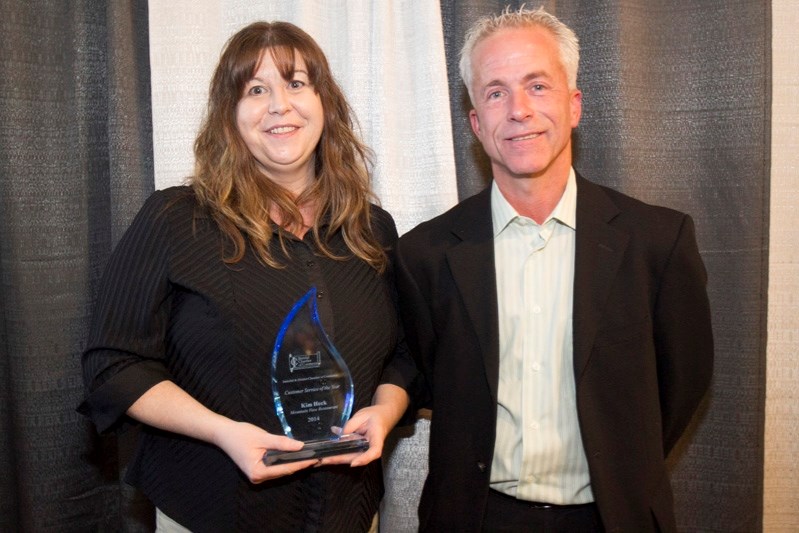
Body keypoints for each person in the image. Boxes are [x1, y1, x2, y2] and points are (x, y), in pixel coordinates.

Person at [79, 21, 415, 532]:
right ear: (231, 116)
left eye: (296, 83)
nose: (279, 104)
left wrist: (387, 412)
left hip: (349, 512)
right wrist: (222, 432)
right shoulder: (175, 220)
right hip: (213, 511)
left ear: (325, 103)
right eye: (256, 90)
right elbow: (113, 364)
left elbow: (404, 354)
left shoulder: (373, 229)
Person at [394, 6, 714, 533]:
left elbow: (683, 382)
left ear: (573, 106)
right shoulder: (424, 255)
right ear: (476, 122)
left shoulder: (657, 242)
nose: (518, 110)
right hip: (474, 518)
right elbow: (429, 380)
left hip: (613, 518)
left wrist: (620, 464)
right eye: (496, 92)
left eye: (537, 86)